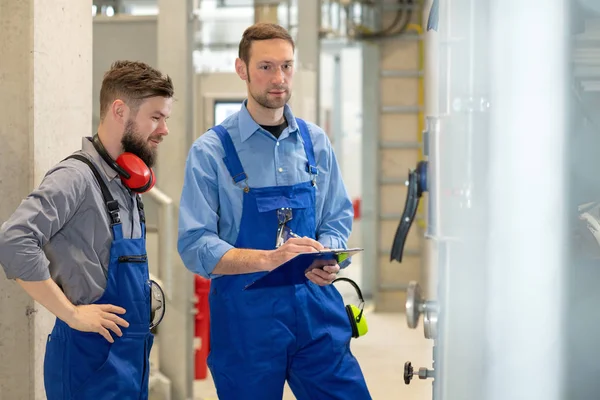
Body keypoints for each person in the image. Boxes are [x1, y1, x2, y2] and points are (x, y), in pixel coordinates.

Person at [178, 23, 372, 399]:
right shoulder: (211, 152)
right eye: (266, 66)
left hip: (317, 311)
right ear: (242, 69)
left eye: (286, 66)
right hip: (246, 322)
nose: (278, 78)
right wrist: (270, 259)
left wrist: (327, 254)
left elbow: (336, 217)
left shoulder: (316, 143)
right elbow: (194, 245)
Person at [0, 60, 174, 400]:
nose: (164, 129)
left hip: (126, 360)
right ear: (119, 110)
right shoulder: (75, 177)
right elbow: (14, 240)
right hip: (89, 363)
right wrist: (71, 313)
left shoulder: (126, 183)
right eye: (156, 117)